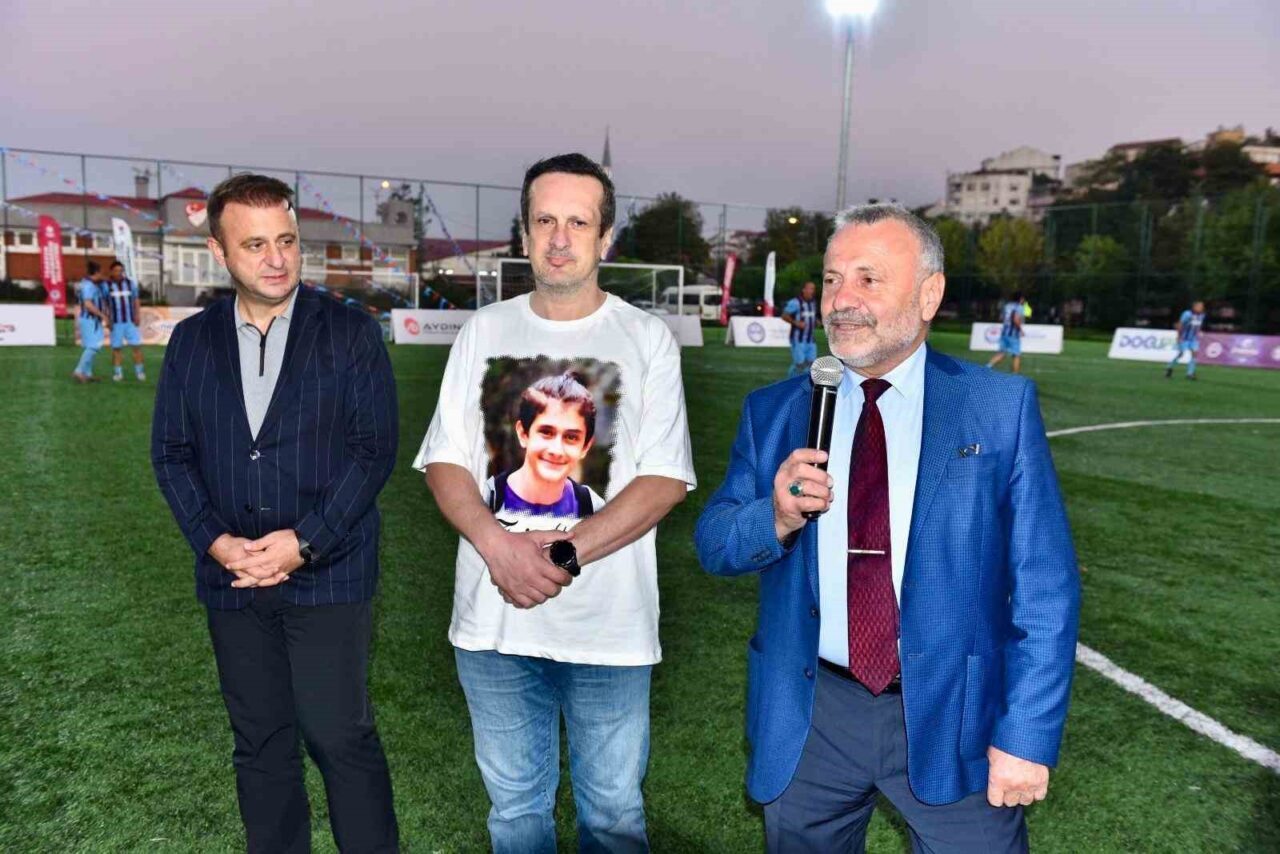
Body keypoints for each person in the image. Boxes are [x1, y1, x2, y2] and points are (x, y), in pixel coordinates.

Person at [695, 204, 1079, 853]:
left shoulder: (997, 408)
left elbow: (1046, 588)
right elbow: (714, 543)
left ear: (929, 294)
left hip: (955, 712)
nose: (841, 299)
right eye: (834, 278)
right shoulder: (776, 411)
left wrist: (1026, 735)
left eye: (868, 279)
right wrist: (776, 516)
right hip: (813, 715)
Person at [414, 152, 695, 853]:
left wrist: (564, 554)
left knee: (614, 819)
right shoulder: (483, 330)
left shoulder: (646, 338)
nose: (560, 239)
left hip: (610, 629)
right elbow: (445, 460)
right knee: (515, 817)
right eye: (545, 221)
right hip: (494, 628)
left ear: (606, 238)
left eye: (578, 222)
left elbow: (664, 478)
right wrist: (498, 546)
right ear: (524, 232)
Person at [151, 174, 399, 853]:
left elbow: (373, 452)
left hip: (329, 575)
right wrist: (216, 542)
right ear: (219, 251)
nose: (276, 259)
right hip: (233, 579)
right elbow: (171, 453)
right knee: (260, 741)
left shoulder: (350, 332)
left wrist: (306, 542)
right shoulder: (192, 341)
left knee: (338, 734)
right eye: (255, 244)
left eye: (286, 240)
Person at [488, 371, 605, 519]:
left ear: (585, 447)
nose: (556, 450)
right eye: (546, 432)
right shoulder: (484, 501)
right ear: (523, 433)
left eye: (571, 437)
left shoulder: (594, 510)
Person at [103, 260, 146, 382]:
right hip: (115, 323)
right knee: (116, 349)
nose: (118, 273)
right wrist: (107, 319)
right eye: (116, 270)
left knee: (136, 347)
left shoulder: (130, 283)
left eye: (120, 271)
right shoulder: (107, 285)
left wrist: (137, 315)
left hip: (130, 321)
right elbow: (105, 303)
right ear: (111, 271)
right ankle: (118, 374)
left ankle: (140, 372)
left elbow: (136, 300)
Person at [72, 261, 108, 383]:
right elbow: (88, 304)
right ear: (96, 272)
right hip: (90, 320)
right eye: (101, 272)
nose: (102, 275)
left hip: (90, 320)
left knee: (90, 346)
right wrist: (102, 315)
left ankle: (87, 373)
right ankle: (78, 371)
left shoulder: (90, 284)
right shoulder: (88, 286)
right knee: (94, 346)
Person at [782, 281, 819, 377]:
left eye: (813, 289)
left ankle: (804, 383)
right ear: (803, 290)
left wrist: (816, 321)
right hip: (798, 340)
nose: (813, 291)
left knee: (811, 365)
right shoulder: (795, 302)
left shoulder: (813, 302)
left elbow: (811, 316)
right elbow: (784, 315)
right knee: (800, 365)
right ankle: (790, 381)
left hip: (811, 340)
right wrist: (796, 322)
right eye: (810, 288)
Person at [987, 291, 1026, 374]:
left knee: (1001, 353)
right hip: (1013, 334)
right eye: (1023, 298)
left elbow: (1001, 317)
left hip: (1004, 333)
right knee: (1016, 355)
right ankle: (1015, 375)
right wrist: (1021, 330)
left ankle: (987, 367)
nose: (1023, 300)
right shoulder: (1019, 307)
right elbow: (1016, 319)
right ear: (1020, 299)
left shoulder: (1007, 306)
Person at [1166, 300, 1205, 380]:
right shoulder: (1187, 314)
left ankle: (1190, 374)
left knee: (1194, 354)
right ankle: (1170, 367)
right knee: (1181, 354)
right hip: (1184, 338)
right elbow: (1180, 324)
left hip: (1193, 339)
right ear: (1194, 307)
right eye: (1199, 306)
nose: (1201, 308)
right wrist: (1178, 337)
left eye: (1202, 307)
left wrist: (1199, 331)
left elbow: (1198, 325)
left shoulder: (1202, 315)